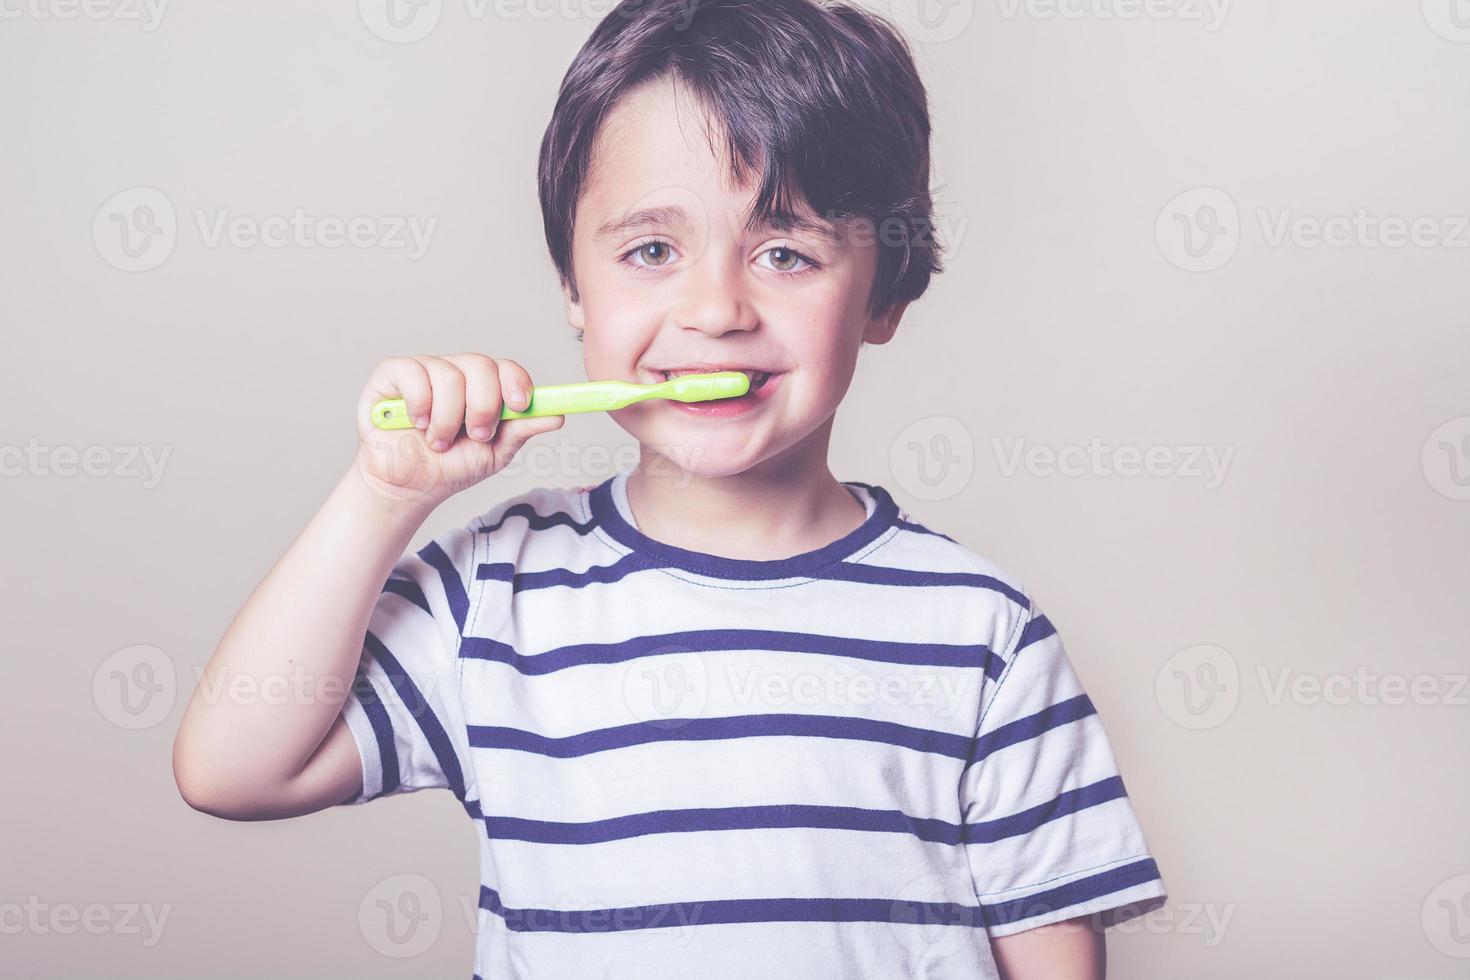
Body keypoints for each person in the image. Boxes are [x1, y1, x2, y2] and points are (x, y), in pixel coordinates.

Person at [172, 1, 1166, 976]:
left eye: (787, 252)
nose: (716, 309)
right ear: (573, 283)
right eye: (652, 250)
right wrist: (383, 495)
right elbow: (233, 766)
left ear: (885, 293)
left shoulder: (984, 634)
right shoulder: (499, 593)